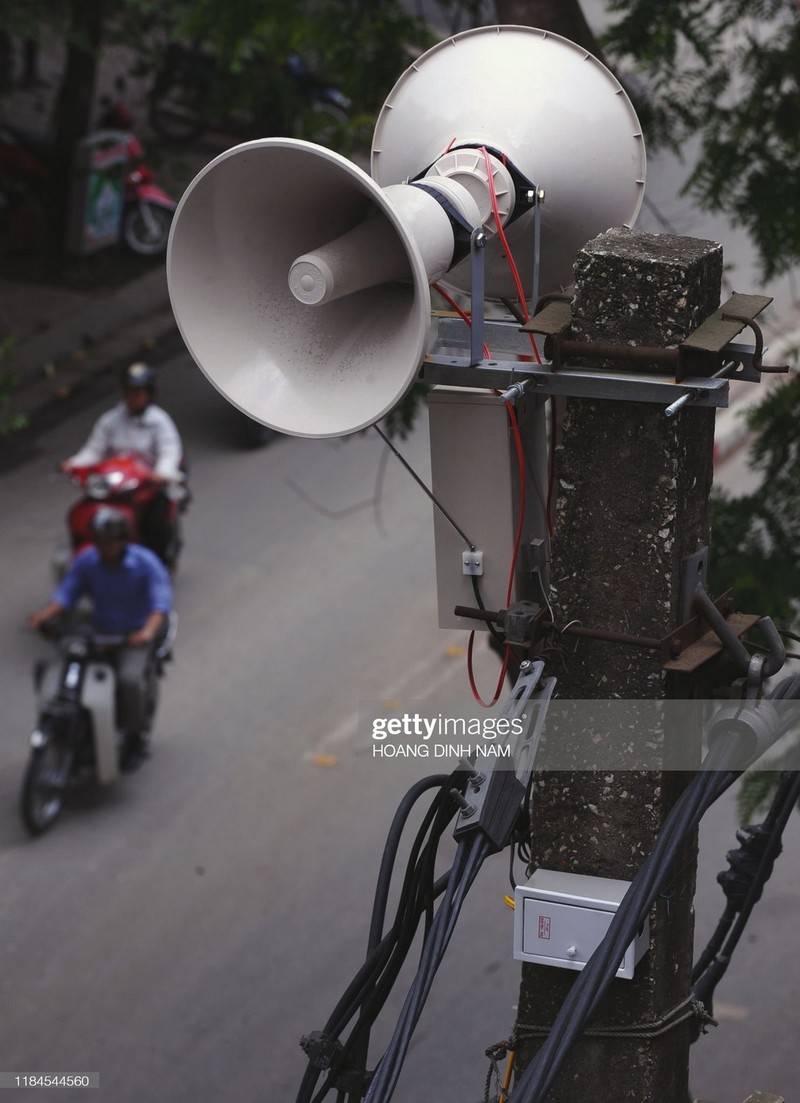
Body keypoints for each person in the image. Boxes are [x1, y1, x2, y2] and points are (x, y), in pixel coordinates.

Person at [29, 507, 173, 770]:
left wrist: (146, 633)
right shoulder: (86, 560)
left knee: (128, 681)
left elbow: (160, 605)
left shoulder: (145, 563)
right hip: (97, 629)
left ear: (123, 540)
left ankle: (134, 738)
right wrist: (43, 615)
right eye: (99, 541)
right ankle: (60, 718)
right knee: (46, 665)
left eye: (110, 542)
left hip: (133, 634)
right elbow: (66, 594)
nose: (104, 548)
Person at [61, 361, 185, 562]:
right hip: (114, 486)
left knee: (155, 525)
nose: (132, 397)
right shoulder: (110, 420)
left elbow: (169, 451)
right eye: (128, 391)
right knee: (83, 513)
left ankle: (158, 567)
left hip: (149, 487)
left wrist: (161, 473)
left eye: (138, 392)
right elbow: (93, 450)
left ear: (149, 393)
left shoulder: (160, 422)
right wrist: (73, 463)